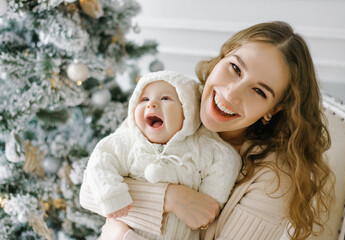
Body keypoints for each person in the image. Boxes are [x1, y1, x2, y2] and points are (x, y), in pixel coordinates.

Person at [80, 21, 335, 240]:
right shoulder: (175, 99)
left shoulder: (274, 182)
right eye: (234, 68)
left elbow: (107, 199)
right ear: (221, 58)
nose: (231, 94)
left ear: (274, 109)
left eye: (259, 91)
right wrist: (170, 198)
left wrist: (120, 231)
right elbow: (90, 191)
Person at [80, 71, 241, 240]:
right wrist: (112, 195)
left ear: (188, 111)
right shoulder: (127, 142)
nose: (152, 104)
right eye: (144, 100)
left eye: (165, 98)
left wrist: (209, 202)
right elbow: (100, 161)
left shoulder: (200, 147)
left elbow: (226, 161)